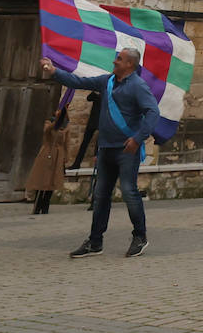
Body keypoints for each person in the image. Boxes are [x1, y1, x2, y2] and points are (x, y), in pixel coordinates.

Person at [41, 49, 159, 258]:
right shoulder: (107, 81)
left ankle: (140, 237)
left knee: (129, 192)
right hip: (106, 148)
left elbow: (153, 112)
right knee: (100, 195)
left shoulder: (138, 86)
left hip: (126, 150)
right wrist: (54, 71)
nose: (115, 61)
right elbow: (79, 82)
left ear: (130, 64)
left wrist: (138, 138)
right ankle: (95, 242)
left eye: (119, 59)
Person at [26, 107, 71, 215]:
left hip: (58, 154)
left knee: (52, 180)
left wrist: (66, 157)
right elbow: (47, 131)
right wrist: (56, 121)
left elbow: (67, 143)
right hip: (47, 152)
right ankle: (37, 205)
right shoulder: (49, 122)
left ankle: (46, 204)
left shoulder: (67, 126)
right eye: (57, 110)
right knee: (41, 178)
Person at [69, 91, 102, 169]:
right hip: (92, 121)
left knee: (99, 144)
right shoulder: (96, 94)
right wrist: (95, 92)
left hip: (102, 122)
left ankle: (97, 164)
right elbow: (88, 98)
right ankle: (77, 163)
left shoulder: (108, 94)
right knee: (84, 143)